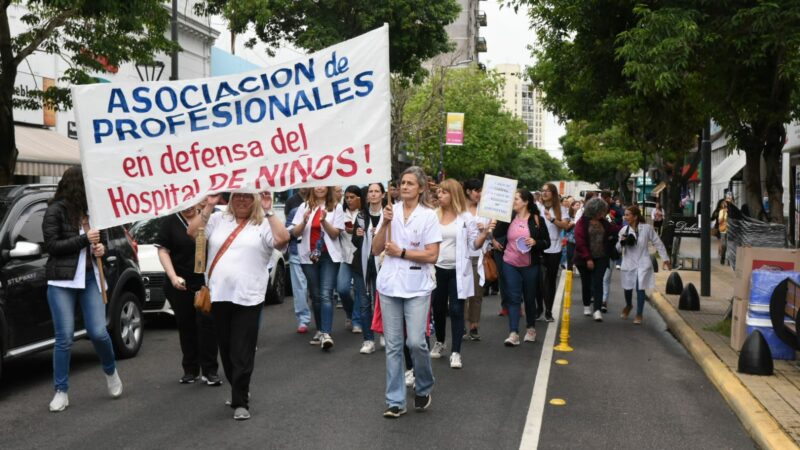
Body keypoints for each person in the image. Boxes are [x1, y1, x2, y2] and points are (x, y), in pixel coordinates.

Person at [187, 191, 287, 420]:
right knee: (227, 350)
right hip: (219, 296)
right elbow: (192, 233)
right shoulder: (217, 219)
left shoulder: (262, 223)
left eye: (247, 196)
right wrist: (209, 206)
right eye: (237, 196)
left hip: (249, 297)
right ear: (230, 198)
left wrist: (269, 209)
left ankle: (240, 401)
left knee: (241, 350)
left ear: (254, 200)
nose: (242, 200)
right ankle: (239, 389)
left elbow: (282, 240)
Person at [43, 166, 123, 412]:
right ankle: (61, 391)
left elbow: (103, 244)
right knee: (64, 338)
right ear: (77, 186)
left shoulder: (94, 213)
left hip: (90, 279)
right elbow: (52, 246)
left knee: (98, 332)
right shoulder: (55, 210)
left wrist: (100, 249)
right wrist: (84, 240)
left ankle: (111, 372)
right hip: (62, 282)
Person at [373, 166, 441, 418]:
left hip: (417, 287)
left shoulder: (428, 216)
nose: (404, 187)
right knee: (393, 345)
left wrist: (402, 252)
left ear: (421, 188)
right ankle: (395, 401)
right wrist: (385, 224)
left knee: (415, 342)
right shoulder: (390, 211)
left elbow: (432, 255)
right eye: (402, 182)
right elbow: (375, 248)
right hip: (389, 285)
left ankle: (424, 385)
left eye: (410, 183)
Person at [156, 201, 221, 386]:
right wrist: (173, 276)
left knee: (208, 325)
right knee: (186, 325)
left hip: (206, 282)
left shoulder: (211, 216)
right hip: (181, 283)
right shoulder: (170, 222)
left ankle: (210, 370)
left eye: (192, 202)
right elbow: (163, 250)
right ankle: (190, 369)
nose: (188, 207)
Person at [429, 179, 493, 369]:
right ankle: (440, 341)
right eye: (439, 192)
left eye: (444, 192)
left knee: (457, 309)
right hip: (437, 269)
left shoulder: (466, 218)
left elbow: (474, 244)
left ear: (453, 194)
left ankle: (456, 352)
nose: (439, 195)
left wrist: (485, 233)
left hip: (458, 270)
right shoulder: (433, 215)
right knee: (438, 309)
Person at [291, 187, 345, 349]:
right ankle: (320, 330)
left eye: (323, 185)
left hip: (328, 256)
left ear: (328, 188)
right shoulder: (304, 207)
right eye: (317, 185)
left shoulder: (336, 207)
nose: (320, 187)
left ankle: (326, 333)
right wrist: (305, 221)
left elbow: (335, 234)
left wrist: (323, 221)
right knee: (315, 295)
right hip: (309, 256)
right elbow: (295, 232)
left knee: (325, 294)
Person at [500, 189, 550, 346]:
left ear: (525, 201)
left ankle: (530, 329)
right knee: (513, 298)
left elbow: (547, 242)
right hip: (510, 263)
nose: (513, 202)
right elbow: (495, 234)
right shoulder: (507, 218)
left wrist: (536, 242)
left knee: (529, 298)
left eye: (516, 199)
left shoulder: (537, 219)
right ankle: (513, 333)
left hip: (530, 265)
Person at [617, 206, 671, 324]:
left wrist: (665, 259)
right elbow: (617, 248)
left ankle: (639, 313)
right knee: (627, 288)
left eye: (627, 215)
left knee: (640, 287)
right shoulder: (623, 230)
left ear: (635, 216)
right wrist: (622, 242)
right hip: (628, 262)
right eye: (625, 215)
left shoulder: (646, 228)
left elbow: (658, 243)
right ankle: (629, 305)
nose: (625, 217)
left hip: (643, 262)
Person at [574, 198, 621, 322]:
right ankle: (586, 305)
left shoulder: (604, 222)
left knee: (598, 282)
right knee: (587, 283)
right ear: (595, 210)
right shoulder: (582, 222)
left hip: (601, 257)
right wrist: (588, 258)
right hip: (584, 258)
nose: (603, 213)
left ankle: (597, 309)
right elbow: (580, 242)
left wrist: (624, 229)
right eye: (601, 211)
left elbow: (614, 230)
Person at [354, 183, 387, 354]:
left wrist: (379, 234)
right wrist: (359, 236)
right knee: (365, 303)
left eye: (376, 191)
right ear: (367, 196)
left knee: (381, 302)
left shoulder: (388, 215)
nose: (373, 194)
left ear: (382, 195)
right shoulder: (360, 216)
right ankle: (368, 340)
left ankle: (383, 333)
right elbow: (355, 242)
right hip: (363, 266)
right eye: (370, 192)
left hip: (383, 265)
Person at [463, 178, 491, 340]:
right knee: (461, 294)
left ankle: (474, 326)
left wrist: (486, 230)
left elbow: (492, 234)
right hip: (461, 257)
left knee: (476, 293)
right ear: (468, 191)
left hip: (479, 257)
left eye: (481, 191)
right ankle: (461, 325)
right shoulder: (459, 210)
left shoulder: (486, 211)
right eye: (476, 191)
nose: (479, 194)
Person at [538, 183, 570, 322]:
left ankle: (549, 311)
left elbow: (565, 225)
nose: (544, 193)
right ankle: (538, 309)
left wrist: (551, 218)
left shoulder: (561, 209)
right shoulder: (537, 208)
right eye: (543, 190)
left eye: (548, 191)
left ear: (553, 193)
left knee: (550, 281)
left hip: (554, 248)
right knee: (537, 280)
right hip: (538, 247)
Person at [337, 185, 365, 333]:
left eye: (352, 197)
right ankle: (349, 312)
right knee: (342, 289)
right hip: (345, 257)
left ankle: (357, 321)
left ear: (359, 198)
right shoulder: (340, 213)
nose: (349, 200)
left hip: (360, 258)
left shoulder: (364, 213)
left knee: (360, 291)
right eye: (346, 197)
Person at [285, 189, 312, 333]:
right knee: (300, 288)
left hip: (317, 255)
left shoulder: (327, 209)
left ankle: (322, 324)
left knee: (318, 291)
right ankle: (303, 319)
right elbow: (288, 231)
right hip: (297, 253)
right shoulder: (294, 210)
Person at [712, 198, 729, 265]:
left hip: (728, 229)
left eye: (725, 203)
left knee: (724, 244)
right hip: (719, 228)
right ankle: (722, 255)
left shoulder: (728, 211)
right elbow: (712, 218)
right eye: (723, 203)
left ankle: (721, 254)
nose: (724, 204)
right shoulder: (717, 211)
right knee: (722, 243)